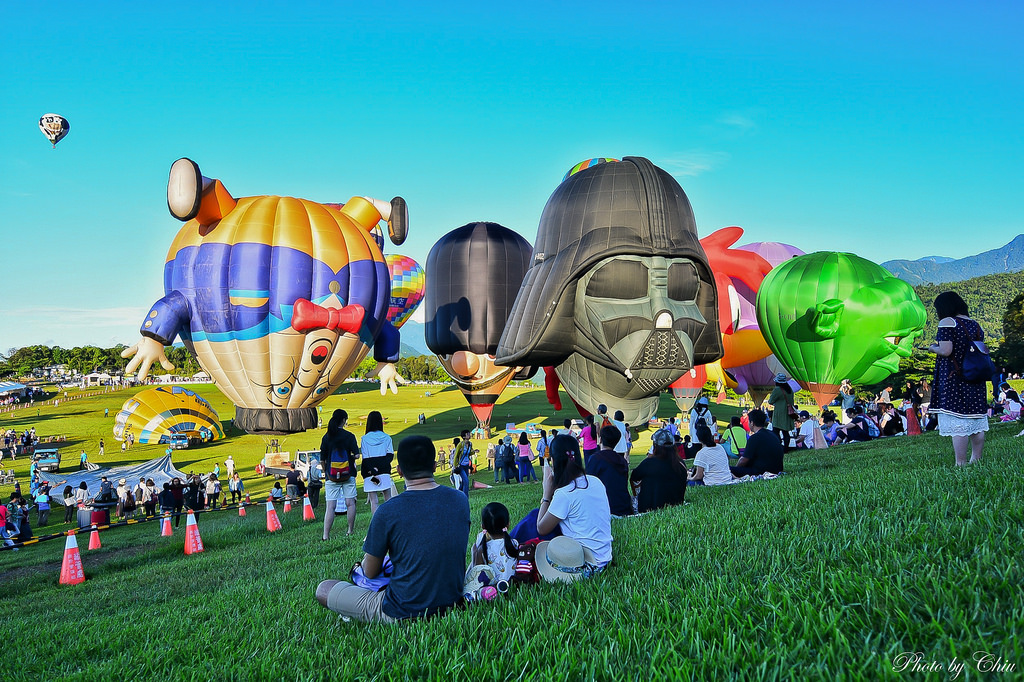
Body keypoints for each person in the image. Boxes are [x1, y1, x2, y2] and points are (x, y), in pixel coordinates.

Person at [315, 435, 470, 623]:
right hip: (452, 601)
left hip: (402, 609)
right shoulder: (460, 500)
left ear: (399, 471)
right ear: (435, 466)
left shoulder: (387, 511)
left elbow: (370, 572)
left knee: (324, 589)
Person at [926, 291, 989, 465]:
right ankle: (976, 460)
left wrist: (932, 348)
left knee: (958, 421)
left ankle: (960, 462)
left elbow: (946, 350)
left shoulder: (948, 322)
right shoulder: (975, 325)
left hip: (955, 377)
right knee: (976, 419)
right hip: (975, 376)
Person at [535, 435, 612, 569]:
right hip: (605, 556)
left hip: (584, 560)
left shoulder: (565, 493)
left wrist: (546, 495)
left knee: (533, 518)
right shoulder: (596, 481)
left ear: (554, 461)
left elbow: (541, 529)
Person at [321, 409, 360, 539]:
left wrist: (326, 471)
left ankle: (326, 535)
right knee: (350, 503)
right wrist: (350, 458)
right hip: (348, 474)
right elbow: (357, 455)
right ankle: (350, 530)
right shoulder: (349, 436)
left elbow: (322, 459)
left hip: (331, 476)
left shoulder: (326, 437)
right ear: (344, 420)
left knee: (330, 507)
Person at [630, 429, 687, 513]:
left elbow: (634, 477)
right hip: (675, 508)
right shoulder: (681, 464)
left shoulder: (649, 463)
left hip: (649, 509)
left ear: (655, 446)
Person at [585, 426, 633, 517]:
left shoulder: (595, 458)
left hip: (603, 508)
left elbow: (587, 484)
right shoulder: (622, 461)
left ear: (600, 439)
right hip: (623, 507)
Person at [470, 502, 519, 582]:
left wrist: (474, 554)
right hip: (513, 584)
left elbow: (476, 577)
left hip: (491, 589)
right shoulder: (515, 544)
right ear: (508, 525)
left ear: (483, 526)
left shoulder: (482, 549)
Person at [730, 409, 784, 477]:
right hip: (776, 469)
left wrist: (736, 469)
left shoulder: (754, 438)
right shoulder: (773, 435)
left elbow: (744, 460)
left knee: (728, 469)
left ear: (752, 423)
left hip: (760, 471)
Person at [689, 422, 734, 486]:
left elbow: (699, 476)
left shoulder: (701, 453)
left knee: (689, 483)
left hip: (713, 482)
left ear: (699, 438)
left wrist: (690, 478)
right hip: (727, 479)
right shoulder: (720, 447)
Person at [767, 373, 795, 451]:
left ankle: (778, 446)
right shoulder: (789, 389)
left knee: (775, 431)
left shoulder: (777, 389)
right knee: (785, 432)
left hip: (779, 413)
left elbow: (770, 401)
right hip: (788, 413)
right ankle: (786, 448)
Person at [453, 431, 473, 497]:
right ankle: (465, 497)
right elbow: (456, 455)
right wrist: (455, 465)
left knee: (464, 481)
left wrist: (474, 451)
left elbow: (469, 453)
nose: (469, 435)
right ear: (464, 437)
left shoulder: (470, 444)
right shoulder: (460, 445)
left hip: (466, 465)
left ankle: (457, 493)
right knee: (466, 481)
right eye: (467, 434)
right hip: (460, 465)